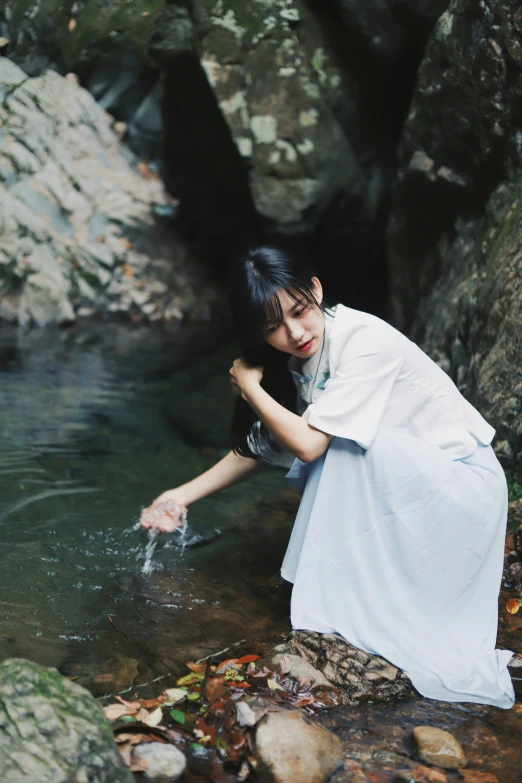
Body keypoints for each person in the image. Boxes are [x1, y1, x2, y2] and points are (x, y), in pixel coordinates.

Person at [141, 245, 515, 709]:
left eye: (300, 311)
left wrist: (252, 388)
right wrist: (181, 495)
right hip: (420, 485)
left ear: (316, 289)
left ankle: (336, 604)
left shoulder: (364, 340)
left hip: (462, 487)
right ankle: (336, 596)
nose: (294, 333)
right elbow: (267, 443)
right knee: (336, 438)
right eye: (273, 327)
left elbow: (309, 444)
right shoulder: (304, 359)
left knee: (338, 442)